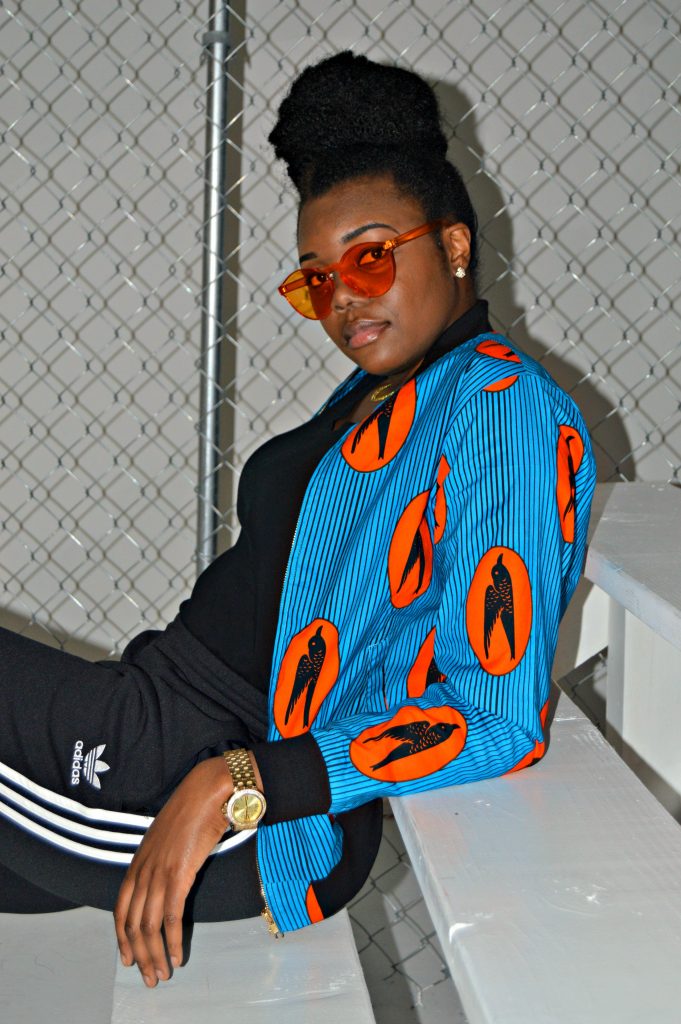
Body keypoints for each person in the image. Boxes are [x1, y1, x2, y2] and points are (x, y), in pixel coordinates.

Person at [0, 51, 596, 987]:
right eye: (318, 279)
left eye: (369, 256)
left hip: (204, 779)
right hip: (158, 716)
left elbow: (496, 711)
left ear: (452, 246)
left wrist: (236, 782)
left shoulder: (502, 409)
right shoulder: (392, 387)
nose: (344, 297)